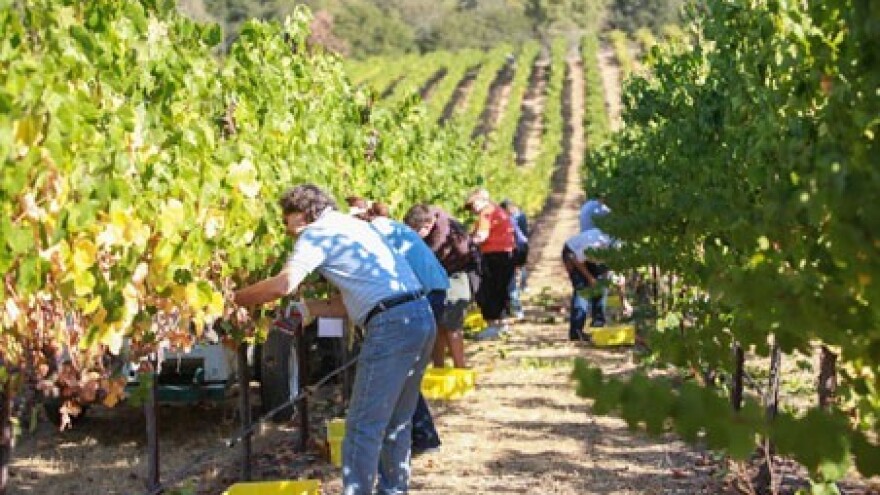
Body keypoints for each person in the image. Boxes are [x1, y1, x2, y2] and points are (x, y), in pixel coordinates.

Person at [233, 185, 435, 495]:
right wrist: (307, 309)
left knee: (361, 427)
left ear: (300, 215)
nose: (286, 230)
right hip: (419, 316)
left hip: (392, 326)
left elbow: (284, 283)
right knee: (396, 421)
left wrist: (233, 300)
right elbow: (355, 299)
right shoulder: (354, 227)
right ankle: (394, 491)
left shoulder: (316, 233)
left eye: (285, 220)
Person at [346, 196, 447, 454]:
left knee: (400, 371)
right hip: (431, 292)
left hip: (423, 296)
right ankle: (420, 437)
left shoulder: (377, 231)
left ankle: (421, 437)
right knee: (404, 372)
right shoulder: (388, 226)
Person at [404, 204, 477, 368]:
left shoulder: (441, 233)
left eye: (417, 231)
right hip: (440, 280)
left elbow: (439, 256)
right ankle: (439, 367)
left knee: (452, 325)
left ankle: (460, 367)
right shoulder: (433, 225)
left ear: (427, 226)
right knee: (438, 326)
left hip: (455, 279)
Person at [464, 188, 515, 340]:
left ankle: (493, 326)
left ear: (481, 200)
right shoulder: (498, 211)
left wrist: (467, 243)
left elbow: (482, 235)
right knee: (501, 289)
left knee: (488, 290)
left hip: (494, 255)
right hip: (506, 253)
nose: (473, 209)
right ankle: (502, 325)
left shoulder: (485, 213)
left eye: (473, 204)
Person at [562, 227, 616, 341]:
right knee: (582, 290)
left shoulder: (617, 248)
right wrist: (590, 278)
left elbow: (616, 278)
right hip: (573, 255)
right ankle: (576, 332)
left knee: (602, 287)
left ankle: (598, 325)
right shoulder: (595, 244)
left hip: (592, 258)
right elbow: (577, 260)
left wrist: (624, 301)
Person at [500, 199, 528, 319]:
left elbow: (519, 239)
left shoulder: (507, 221)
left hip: (511, 252)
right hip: (516, 251)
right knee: (511, 282)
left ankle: (515, 309)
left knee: (510, 283)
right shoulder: (512, 219)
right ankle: (513, 309)